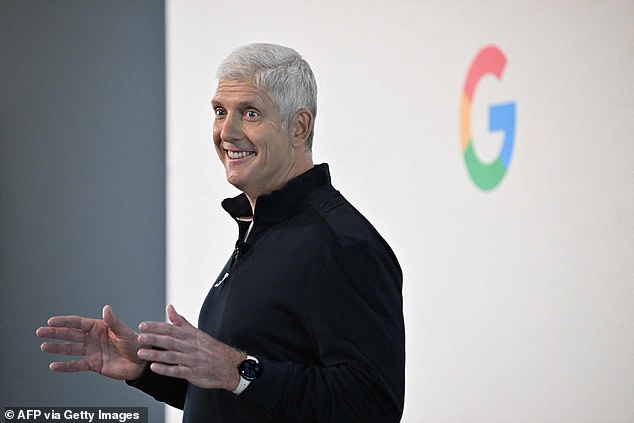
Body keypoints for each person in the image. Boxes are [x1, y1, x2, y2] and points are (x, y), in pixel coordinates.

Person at [37, 43, 405, 422]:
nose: (226, 132)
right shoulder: (262, 229)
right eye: (219, 112)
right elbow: (240, 397)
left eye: (250, 113)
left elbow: (373, 407)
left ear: (299, 127)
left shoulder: (343, 245)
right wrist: (145, 369)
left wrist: (237, 370)